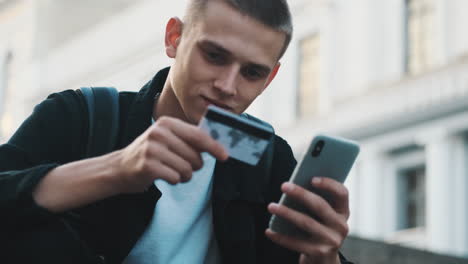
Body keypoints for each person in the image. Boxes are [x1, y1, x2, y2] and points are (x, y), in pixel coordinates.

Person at [0, 0, 352, 263]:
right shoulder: (81, 115)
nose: (227, 86)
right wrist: (115, 170)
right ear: (174, 39)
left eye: (252, 73)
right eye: (214, 56)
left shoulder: (268, 159)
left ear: (270, 78)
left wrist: (325, 257)